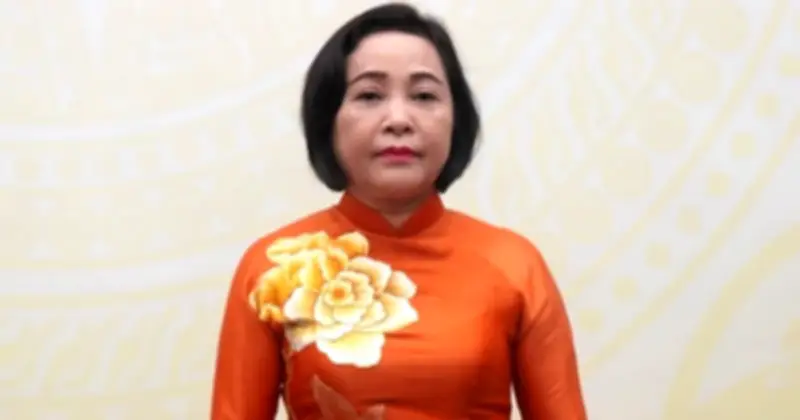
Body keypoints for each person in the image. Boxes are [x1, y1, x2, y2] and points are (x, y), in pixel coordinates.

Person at [211, 2, 587, 419]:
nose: (398, 119)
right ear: (328, 119)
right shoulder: (272, 270)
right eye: (369, 95)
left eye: (424, 96)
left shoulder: (515, 265)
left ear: (456, 119)